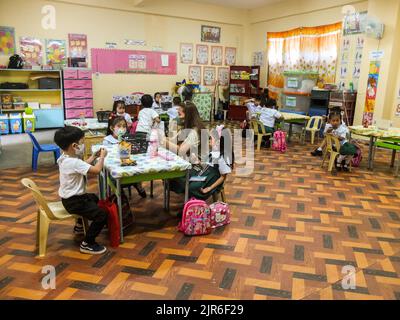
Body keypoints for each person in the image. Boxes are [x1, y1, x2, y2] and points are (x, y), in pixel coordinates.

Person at [54, 126, 108, 255]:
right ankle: (87, 243)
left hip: (69, 199)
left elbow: (83, 165)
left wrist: (93, 156)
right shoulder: (74, 162)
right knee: (101, 215)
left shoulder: (64, 158)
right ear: (74, 145)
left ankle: (79, 225)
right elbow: (96, 170)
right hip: (75, 202)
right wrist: (102, 157)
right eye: (82, 142)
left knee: (93, 198)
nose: (83, 145)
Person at [103, 117, 147, 198]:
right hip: (115, 166)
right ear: (112, 128)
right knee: (114, 178)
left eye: (124, 126)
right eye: (119, 126)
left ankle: (137, 184)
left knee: (136, 171)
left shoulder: (127, 138)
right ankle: (120, 194)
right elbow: (107, 156)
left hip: (126, 164)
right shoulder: (107, 140)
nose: (122, 129)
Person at [189, 125, 233, 200]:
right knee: (188, 178)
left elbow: (223, 177)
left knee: (192, 187)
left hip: (212, 181)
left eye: (210, 138)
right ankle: (190, 202)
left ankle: (194, 204)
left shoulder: (222, 157)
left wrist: (210, 188)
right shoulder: (213, 152)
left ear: (218, 141)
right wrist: (198, 161)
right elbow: (207, 165)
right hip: (205, 175)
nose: (208, 140)